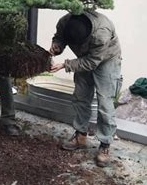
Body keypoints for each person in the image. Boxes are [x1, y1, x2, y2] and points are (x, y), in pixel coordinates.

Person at [49, 10, 122, 167]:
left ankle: (104, 144)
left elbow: (92, 62)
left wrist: (65, 65)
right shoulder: (65, 22)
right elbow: (59, 37)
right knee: (81, 96)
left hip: (106, 60)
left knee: (104, 102)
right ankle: (81, 136)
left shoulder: (101, 32)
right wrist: (57, 46)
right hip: (84, 58)